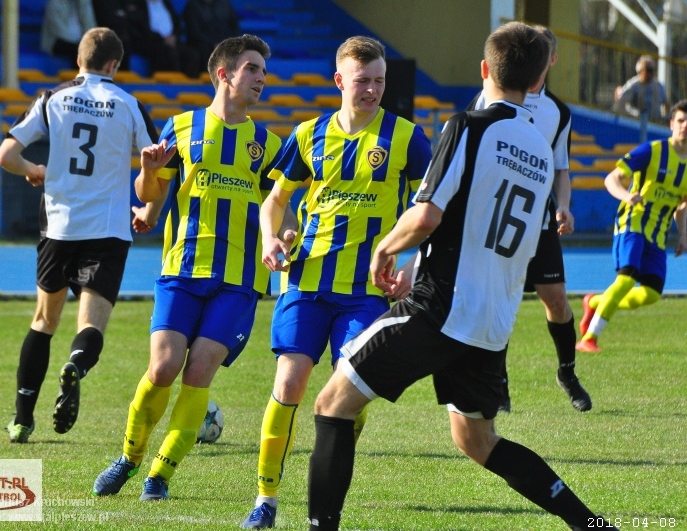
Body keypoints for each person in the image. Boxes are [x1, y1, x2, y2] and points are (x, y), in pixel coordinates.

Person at [305, 22, 617, 531]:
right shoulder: (540, 149)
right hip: (493, 321)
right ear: (536, 78)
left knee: (332, 404)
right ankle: (591, 524)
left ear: (484, 69)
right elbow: (488, 229)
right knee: (477, 440)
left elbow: (428, 215)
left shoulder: (469, 126)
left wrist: (386, 248)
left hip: (440, 306)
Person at [240, 36, 432, 529]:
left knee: (350, 393)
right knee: (290, 381)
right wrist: (269, 238)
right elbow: (275, 200)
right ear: (339, 80)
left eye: (379, 81)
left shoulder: (407, 139)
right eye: (362, 80)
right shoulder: (308, 135)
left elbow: (432, 212)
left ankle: (333, 460)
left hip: (367, 291)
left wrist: (411, 265)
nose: (372, 89)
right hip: (306, 280)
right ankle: (265, 500)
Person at [91, 34, 290, 502]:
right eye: (252, 68)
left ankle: (159, 475)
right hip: (182, 270)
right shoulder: (182, 128)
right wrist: (148, 170)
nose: (261, 78)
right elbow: (150, 193)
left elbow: (279, 208)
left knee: (198, 373)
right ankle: (129, 456)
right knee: (162, 368)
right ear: (224, 74)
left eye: (263, 71)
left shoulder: (269, 145)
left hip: (240, 280)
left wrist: (283, 237)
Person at [0, 27, 160, 443]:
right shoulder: (129, 104)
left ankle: (22, 419)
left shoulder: (52, 98)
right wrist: (148, 209)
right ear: (114, 65)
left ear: (79, 61)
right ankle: (76, 364)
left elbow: (6, 155)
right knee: (91, 324)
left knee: (43, 321)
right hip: (108, 231)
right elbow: (157, 168)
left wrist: (33, 169)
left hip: (59, 227)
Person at [467, 26, 591, 412]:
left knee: (556, 299)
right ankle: (498, 383)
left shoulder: (558, 112)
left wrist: (563, 204)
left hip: (537, 222)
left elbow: (560, 167)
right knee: (499, 300)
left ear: (551, 59)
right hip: (498, 220)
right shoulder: (487, 99)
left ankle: (567, 372)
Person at [576, 99, 687, 353]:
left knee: (651, 294)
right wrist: (627, 196)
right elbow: (611, 179)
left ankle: (594, 302)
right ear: (671, 124)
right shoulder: (651, 151)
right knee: (626, 279)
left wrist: (683, 234)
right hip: (633, 221)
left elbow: (682, 204)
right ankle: (589, 338)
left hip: (658, 233)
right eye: (680, 120)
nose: (685, 126)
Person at [123, 0, 202, 78]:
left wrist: (174, 36)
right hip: (152, 42)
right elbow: (141, 27)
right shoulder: (140, 5)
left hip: (172, 40)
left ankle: (189, 84)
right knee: (169, 53)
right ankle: (173, 82)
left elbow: (177, 23)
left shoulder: (166, 3)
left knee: (192, 55)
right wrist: (162, 39)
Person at [614, 55, 670, 139]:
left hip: (655, 125)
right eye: (648, 70)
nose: (650, 73)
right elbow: (621, 101)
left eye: (652, 70)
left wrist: (665, 118)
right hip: (637, 125)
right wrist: (628, 118)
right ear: (640, 71)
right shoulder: (633, 85)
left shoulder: (658, 85)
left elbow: (667, 103)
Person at [183, 0, 240, 71]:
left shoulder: (225, 4)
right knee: (204, 51)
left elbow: (234, 27)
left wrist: (226, 43)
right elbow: (194, 32)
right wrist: (213, 43)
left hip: (224, 42)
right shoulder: (193, 6)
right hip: (203, 44)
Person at [40, 0, 96, 69]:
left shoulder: (84, 3)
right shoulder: (55, 3)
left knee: (97, 50)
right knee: (79, 51)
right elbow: (60, 32)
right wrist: (81, 43)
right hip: (56, 42)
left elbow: (90, 27)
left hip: (79, 42)